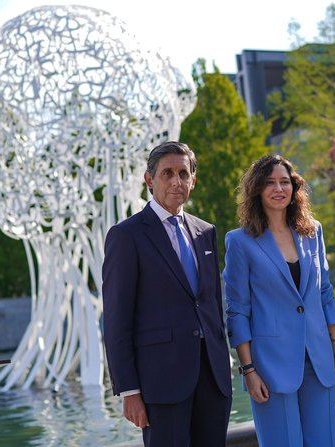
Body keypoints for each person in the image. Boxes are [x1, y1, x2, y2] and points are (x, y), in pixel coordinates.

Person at [102, 141, 232, 447]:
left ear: (193, 180)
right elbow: (117, 319)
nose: (177, 181)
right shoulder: (127, 236)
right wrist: (129, 390)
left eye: (183, 173)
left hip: (212, 379)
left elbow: (211, 304)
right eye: (167, 173)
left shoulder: (206, 232)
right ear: (150, 180)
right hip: (161, 383)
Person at [224, 154, 335, 447]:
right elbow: (237, 311)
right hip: (269, 365)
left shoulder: (312, 232)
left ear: (294, 188)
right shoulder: (239, 241)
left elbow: (325, 293)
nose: (279, 189)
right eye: (270, 183)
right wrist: (248, 370)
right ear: (257, 190)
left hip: (318, 359)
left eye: (285, 182)